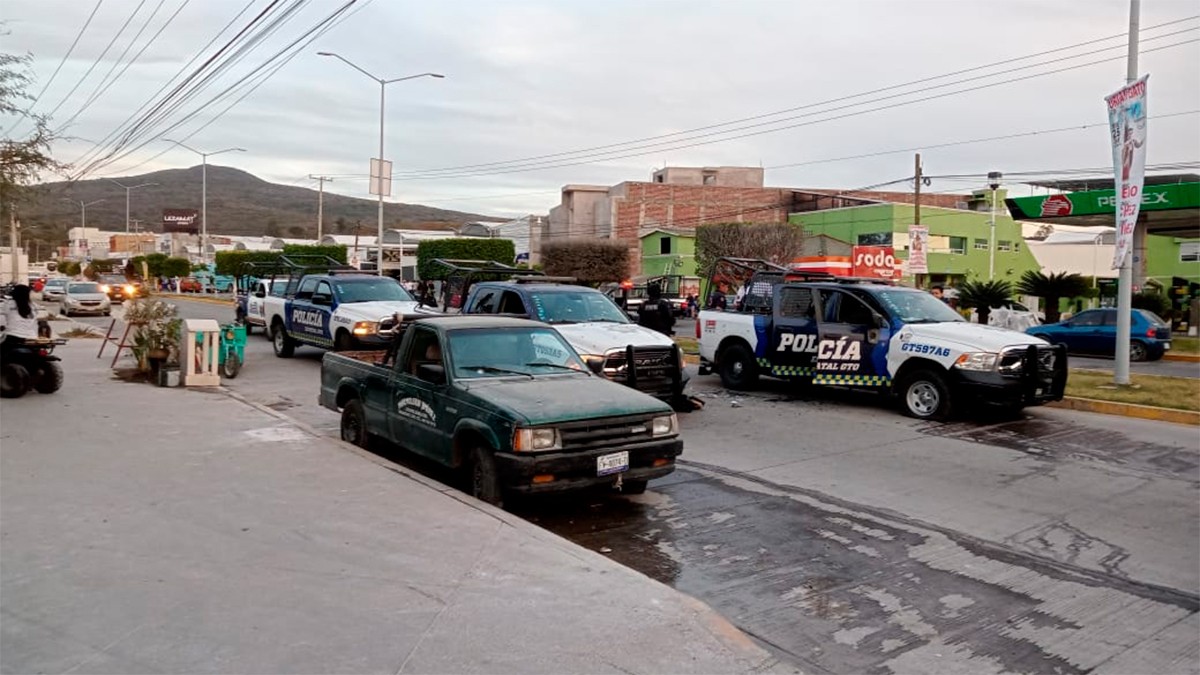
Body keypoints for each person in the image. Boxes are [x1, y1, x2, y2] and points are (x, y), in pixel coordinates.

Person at [1, 285, 39, 359]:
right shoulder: (33, 306)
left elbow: (2, 318)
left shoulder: (8, 304)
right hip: (32, 337)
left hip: (13, 337)